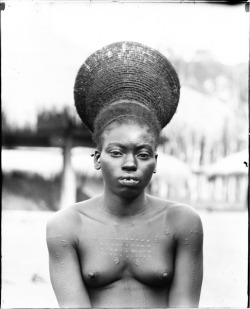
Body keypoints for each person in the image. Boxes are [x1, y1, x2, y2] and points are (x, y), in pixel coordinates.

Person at [46, 41, 203, 308]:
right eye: (117, 152)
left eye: (142, 154)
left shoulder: (182, 223)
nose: (130, 163)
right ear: (97, 158)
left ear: (155, 161)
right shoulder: (66, 226)